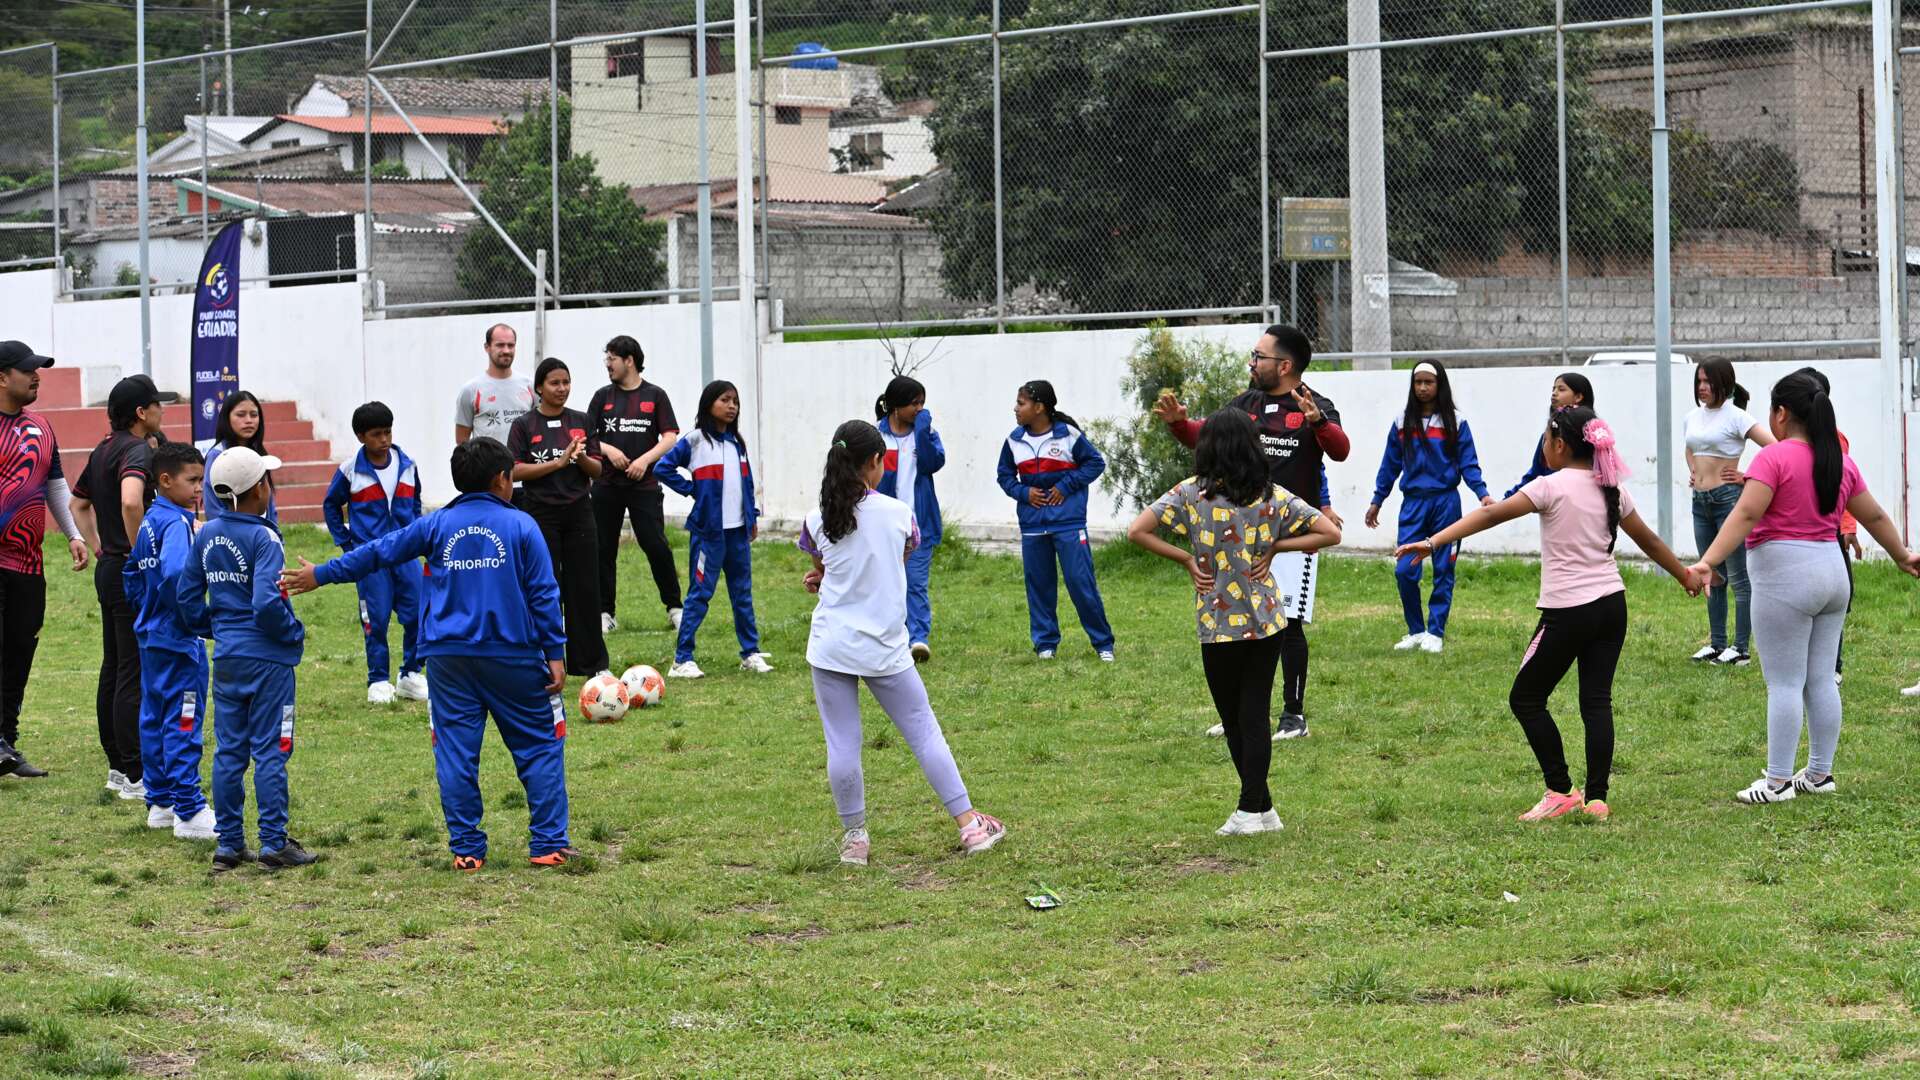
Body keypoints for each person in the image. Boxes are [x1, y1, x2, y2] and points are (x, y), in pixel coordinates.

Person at [283, 438, 578, 870]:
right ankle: (549, 845)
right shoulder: (522, 526)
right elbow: (544, 593)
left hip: (447, 661)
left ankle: (466, 850)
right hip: (514, 655)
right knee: (539, 746)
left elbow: (378, 551)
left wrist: (321, 574)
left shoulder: (436, 524)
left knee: (456, 753)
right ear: (502, 479)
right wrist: (555, 651)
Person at [1397, 409, 1698, 821]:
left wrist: (1432, 542)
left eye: (1545, 439)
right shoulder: (1611, 488)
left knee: (1526, 697)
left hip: (1569, 611)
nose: (1542, 446)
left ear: (1559, 444)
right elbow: (1647, 538)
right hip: (1612, 606)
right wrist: (1684, 575)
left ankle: (1560, 789)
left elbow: (1489, 514)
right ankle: (1597, 799)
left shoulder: (1548, 486)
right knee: (1596, 701)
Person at [1687, 371, 1920, 805]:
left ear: (1780, 414)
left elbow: (1744, 516)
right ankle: (1819, 774)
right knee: (1820, 680)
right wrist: (1903, 555)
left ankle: (1776, 782)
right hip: (1833, 575)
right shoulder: (1840, 461)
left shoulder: (1772, 460)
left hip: (1785, 577)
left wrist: (1707, 561)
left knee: (1785, 683)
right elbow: (1873, 517)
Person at [799, 421, 1006, 866]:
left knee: (842, 745)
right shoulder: (898, 512)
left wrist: (822, 576)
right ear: (876, 462)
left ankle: (855, 840)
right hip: (885, 646)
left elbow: (825, 565)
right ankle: (970, 827)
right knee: (925, 733)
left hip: (831, 645)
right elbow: (901, 556)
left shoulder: (816, 518)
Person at [1127, 409, 1342, 836]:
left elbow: (1137, 531)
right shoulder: (1271, 495)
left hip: (1218, 621)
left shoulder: (1189, 494)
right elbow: (1329, 532)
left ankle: (1249, 809)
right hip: (1266, 620)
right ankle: (1263, 810)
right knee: (1255, 714)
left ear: (1207, 448)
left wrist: (1187, 559)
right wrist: (1278, 546)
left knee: (1235, 718)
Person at [1155, 324, 1350, 740]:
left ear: (1285, 364)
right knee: (1236, 621)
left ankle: (1293, 716)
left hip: (1292, 532)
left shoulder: (1315, 405)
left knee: (1289, 623)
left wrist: (1318, 423)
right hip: (1240, 532)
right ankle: (1237, 716)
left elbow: (1340, 450)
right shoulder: (1247, 403)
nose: (1252, 362)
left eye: (1259, 356)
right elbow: (1207, 437)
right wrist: (1179, 425)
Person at [179, 446, 317, 870]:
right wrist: (292, 633)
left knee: (229, 752)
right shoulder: (264, 535)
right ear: (260, 488)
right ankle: (274, 841)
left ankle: (230, 844)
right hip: (268, 660)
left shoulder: (205, 533)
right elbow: (266, 603)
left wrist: (214, 628)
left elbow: (186, 597)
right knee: (273, 749)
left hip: (228, 658)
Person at [72, 375, 165, 803]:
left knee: (114, 667)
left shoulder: (102, 448)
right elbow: (132, 501)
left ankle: (116, 767)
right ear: (142, 412)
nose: (162, 411)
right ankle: (134, 772)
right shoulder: (134, 449)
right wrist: (140, 553)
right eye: (156, 404)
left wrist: (98, 546)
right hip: (128, 569)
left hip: (109, 567)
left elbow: (78, 505)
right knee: (132, 669)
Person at [0, 341, 89, 781]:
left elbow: (54, 485)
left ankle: (6, 746)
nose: (36, 376)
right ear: (2, 377)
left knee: (19, 651)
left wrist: (72, 534)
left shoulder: (42, 428)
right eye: (27, 370)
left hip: (29, 564)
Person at [1364, 360, 1493, 653]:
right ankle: (1416, 630)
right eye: (1417, 382)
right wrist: (1377, 500)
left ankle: (1435, 632)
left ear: (1439, 386)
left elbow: (1469, 464)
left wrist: (1482, 494)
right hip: (1413, 505)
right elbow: (1390, 465)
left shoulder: (1456, 422)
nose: (1422, 388)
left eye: (1428, 382)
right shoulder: (1401, 422)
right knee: (1404, 570)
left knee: (1443, 569)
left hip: (1446, 504)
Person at [125, 442, 215, 840]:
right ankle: (189, 810)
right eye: (192, 480)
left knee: (154, 717)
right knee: (183, 718)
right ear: (165, 480)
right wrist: (195, 619)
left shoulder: (149, 520)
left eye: (202, 480)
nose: (200, 488)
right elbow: (179, 574)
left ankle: (160, 803)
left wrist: (148, 610)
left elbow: (131, 572)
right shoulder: (176, 522)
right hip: (179, 640)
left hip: (151, 637)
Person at [654, 380, 767, 679]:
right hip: (709, 534)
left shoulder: (737, 443)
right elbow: (661, 468)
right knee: (700, 594)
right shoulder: (695, 441)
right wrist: (693, 489)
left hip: (738, 533)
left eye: (735, 401)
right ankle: (682, 660)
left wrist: (751, 517)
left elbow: (747, 483)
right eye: (725, 400)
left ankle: (750, 652)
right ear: (708, 404)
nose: (732, 406)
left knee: (742, 594)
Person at [996, 380, 1114, 662]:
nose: (1016, 408)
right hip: (1033, 526)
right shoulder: (1014, 440)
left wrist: (1066, 486)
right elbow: (1005, 476)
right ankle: (1045, 644)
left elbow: (1095, 463)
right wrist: (1024, 493)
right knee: (1038, 585)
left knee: (1080, 582)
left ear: (1039, 407)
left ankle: (1103, 644)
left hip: (1069, 524)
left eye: (1021, 403)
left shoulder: (1068, 435)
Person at [322, 401, 428, 705]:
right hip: (370, 560)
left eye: (388, 432)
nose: (384, 440)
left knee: (418, 613)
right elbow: (331, 505)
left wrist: (417, 533)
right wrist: (347, 544)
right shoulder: (350, 470)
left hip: (406, 554)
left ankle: (411, 673)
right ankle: (378, 678)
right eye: (376, 434)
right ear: (360, 437)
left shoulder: (408, 465)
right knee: (376, 619)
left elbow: (415, 502)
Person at [509, 358, 609, 678]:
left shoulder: (581, 420)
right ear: (539, 388)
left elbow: (598, 468)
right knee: (545, 588)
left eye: (566, 382)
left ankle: (591, 665)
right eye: (554, 383)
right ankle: (546, 662)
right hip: (540, 515)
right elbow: (515, 471)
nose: (561, 389)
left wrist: (579, 459)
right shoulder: (524, 425)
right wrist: (558, 462)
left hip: (580, 513)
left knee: (585, 589)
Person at [588, 335, 682, 636]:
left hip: (644, 485)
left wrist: (644, 460)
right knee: (603, 548)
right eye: (607, 360)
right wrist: (609, 450)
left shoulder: (655, 395)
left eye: (612, 359)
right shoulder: (602, 397)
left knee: (655, 544)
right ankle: (605, 612)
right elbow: (587, 437)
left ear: (629, 360)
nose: (608, 365)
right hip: (606, 485)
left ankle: (675, 608)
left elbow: (670, 436)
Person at [1684, 359, 1774, 666]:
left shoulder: (1737, 417)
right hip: (1700, 502)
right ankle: (1717, 643)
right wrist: (1693, 470)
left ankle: (1741, 648)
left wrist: (1746, 476)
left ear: (1724, 382)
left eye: (1707, 381)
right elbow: (1690, 446)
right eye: (1699, 381)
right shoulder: (1692, 417)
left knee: (1738, 577)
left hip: (1728, 501)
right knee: (1713, 574)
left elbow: (1775, 448)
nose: (1702, 387)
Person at [874, 375, 945, 662]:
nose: (919, 408)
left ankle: (918, 639)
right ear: (896, 406)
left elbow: (933, 463)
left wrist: (923, 431)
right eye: (914, 404)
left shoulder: (926, 434)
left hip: (919, 524)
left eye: (922, 403)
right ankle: (892, 637)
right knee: (887, 582)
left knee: (915, 582)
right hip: (883, 526)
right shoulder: (876, 437)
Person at [454, 323, 535, 505]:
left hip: (525, 484)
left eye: (511, 345)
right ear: (487, 347)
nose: (506, 350)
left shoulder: (530, 386)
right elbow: (462, 441)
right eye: (500, 345)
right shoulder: (471, 390)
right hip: (487, 486)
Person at [1503, 372, 1594, 498]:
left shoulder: (1594, 435)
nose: (1554, 393)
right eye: (1553, 389)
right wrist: (1506, 500)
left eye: (1561, 389)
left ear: (1578, 397)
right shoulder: (1549, 435)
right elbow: (1535, 474)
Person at [202, 390, 275, 523]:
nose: (248, 421)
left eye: (254, 415)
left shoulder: (259, 453)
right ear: (226, 418)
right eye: (241, 415)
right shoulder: (217, 456)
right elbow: (213, 507)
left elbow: (269, 506)